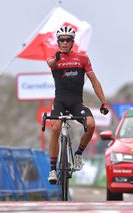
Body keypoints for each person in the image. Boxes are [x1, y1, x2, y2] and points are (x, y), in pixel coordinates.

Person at [46, 26, 109, 184]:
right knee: (55, 127)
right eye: (62, 40)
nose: (65, 42)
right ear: (58, 42)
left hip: (76, 102)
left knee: (91, 124)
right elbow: (51, 63)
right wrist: (57, 59)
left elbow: (94, 81)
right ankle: (53, 169)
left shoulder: (82, 59)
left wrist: (103, 101)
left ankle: (78, 154)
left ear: (72, 42)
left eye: (68, 40)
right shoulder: (54, 59)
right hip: (60, 101)